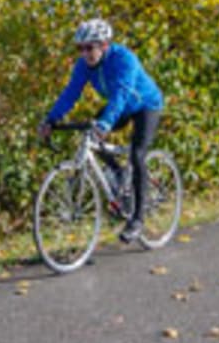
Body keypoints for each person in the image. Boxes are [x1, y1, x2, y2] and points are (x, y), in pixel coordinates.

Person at [38, 18, 164, 242]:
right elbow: (71, 93)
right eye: (80, 48)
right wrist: (51, 119)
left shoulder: (124, 59)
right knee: (92, 135)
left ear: (104, 44)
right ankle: (117, 173)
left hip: (145, 105)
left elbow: (121, 94)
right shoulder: (83, 66)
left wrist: (105, 123)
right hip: (121, 106)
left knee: (137, 155)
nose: (85, 53)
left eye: (89, 47)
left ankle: (137, 219)